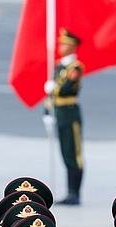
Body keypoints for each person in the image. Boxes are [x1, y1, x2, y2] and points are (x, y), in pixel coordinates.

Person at [43, 28, 84, 205]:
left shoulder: (75, 67)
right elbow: (50, 96)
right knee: (65, 152)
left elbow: (67, 87)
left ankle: (75, 192)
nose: (61, 46)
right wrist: (47, 112)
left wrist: (55, 89)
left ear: (72, 46)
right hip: (59, 111)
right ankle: (69, 191)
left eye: (65, 43)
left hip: (69, 111)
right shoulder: (59, 66)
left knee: (74, 153)